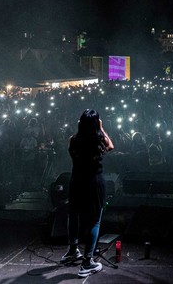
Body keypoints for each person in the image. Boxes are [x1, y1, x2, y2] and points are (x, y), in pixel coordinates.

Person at [60, 109, 114, 278]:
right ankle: (87, 262)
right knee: (94, 220)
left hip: (76, 181)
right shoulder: (98, 142)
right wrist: (102, 128)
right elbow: (111, 146)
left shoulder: (73, 140)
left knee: (73, 215)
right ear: (96, 124)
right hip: (93, 183)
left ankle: (72, 249)